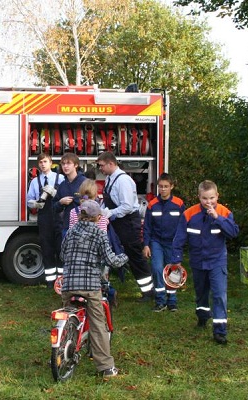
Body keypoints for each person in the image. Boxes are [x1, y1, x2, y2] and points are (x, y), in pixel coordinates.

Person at [60, 200, 129, 379]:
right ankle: (106, 367)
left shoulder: (71, 232)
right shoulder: (99, 233)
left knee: (69, 316)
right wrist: (124, 257)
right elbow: (111, 260)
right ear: (97, 217)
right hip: (90, 287)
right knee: (98, 325)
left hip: (68, 285)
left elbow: (62, 255)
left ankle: (60, 350)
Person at [171, 180, 239, 345]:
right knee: (201, 293)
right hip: (198, 261)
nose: (208, 202)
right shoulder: (189, 214)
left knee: (219, 295)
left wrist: (217, 218)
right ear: (199, 197)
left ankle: (220, 331)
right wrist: (176, 260)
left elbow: (233, 233)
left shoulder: (224, 212)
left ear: (217, 196)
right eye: (204, 198)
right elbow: (179, 238)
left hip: (217, 261)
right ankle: (202, 317)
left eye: (211, 198)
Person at [96, 151, 154, 302]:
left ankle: (149, 291)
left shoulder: (123, 181)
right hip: (118, 222)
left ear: (111, 163)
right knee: (129, 254)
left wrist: (109, 213)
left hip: (128, 222)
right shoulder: (109, 179)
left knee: (135, 256)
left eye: (102, 165)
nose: (100, 168)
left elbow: (127, 206)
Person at [67, 178, 118, 307]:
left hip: (83, 253)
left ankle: (105, 295)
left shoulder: (76, 212)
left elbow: (71, 233)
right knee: (97, 278)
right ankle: (101, 298)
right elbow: (102, 235)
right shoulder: (99, 214)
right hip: (92, 253)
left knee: (88, 278)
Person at [142, 173, 185, 312]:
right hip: (157, 242)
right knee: (156, 268)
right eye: (161, 186)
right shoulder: (152, 204)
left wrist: (180, 243)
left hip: (173, 243)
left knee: (173, 270)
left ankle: (172, 300)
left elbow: (183, 226)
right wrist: (146, 244)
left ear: (172, 187)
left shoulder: (179, 204)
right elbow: (147, 226)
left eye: (166, 186)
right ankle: (160, 300)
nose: (163, 189)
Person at [26, 153, 64, 287]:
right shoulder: (35, 182)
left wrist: (55, 193)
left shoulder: (60, 178)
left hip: (59, 218)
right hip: (44, 218)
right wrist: (34, 204)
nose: (43, 164)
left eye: (45, 161)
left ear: (51, 162)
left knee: (61, 249)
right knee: (47, 250)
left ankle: (62, 281)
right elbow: (29, 200)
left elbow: (67, 196)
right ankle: (50, 281)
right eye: (40, 162)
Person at [53, 152, 86, 239]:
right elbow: (54, 207)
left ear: (76, 165)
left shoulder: (85, 182)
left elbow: (93, 202)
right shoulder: (62, 185)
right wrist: (60, 202)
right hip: (66, 227)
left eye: (68, 163)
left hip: (84, 227)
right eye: (63, 164)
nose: (65, 166)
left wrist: (81, 200)